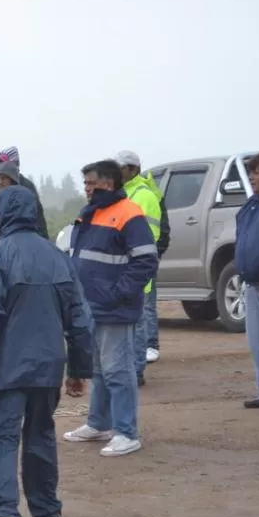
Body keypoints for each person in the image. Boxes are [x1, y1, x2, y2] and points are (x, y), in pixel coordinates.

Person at [0, 186, 94, 517]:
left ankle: (5, 516)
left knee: (0, 440)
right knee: (40, 434)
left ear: (0, 215)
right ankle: (47, 510)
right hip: (48, 367)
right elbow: (80, 318)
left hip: (5, 370)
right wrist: (79, 369)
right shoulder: (58, 257)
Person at [62, 160, 158, 457]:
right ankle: (98, 423)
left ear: (109, 183)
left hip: (114, 307)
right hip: (92, 305)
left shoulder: (129, 213)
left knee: (118, 370)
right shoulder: (89, 214)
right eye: (86, 183)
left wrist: (119, 293)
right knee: (100, 369)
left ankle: (127, 432)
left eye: (92, 183)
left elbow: (146, 260)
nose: (87, 188)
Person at [116, 151, 170, 369]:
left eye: (121, 168)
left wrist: (144, 259)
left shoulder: (143, 194)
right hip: (127, 263)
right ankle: (136, 359)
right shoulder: (125, 192)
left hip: (138, 263)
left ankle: (145, 355)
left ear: (133, 169)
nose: (117, 172)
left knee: (143, 311)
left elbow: (152, 232)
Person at [234, 151, 259, 412]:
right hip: (252, 283)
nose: (252, 177)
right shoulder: (251, 205)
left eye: (257, 171)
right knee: (257, 340)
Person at [0, 146, 47, 253]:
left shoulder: (26, 187)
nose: (0, 166)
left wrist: (44, 245)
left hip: (19, 246)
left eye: (3, 162)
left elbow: (39, 219)